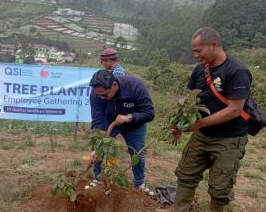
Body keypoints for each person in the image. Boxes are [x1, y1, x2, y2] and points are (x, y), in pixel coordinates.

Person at [157, 27, 252, 212]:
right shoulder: (200, 70)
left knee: (220, 189)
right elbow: (190, 97)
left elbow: (234, 109)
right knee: (186, 176)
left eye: (198, 50)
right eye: (194, 51)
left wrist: (198, 124)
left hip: (229, 139)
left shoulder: (237, 71)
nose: (195, 55)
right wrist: (179, 123)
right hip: (202, 135)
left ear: (214, 45)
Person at [89, 69, 155, 193]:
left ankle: (139, 183)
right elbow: (97, 121)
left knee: (137, 154)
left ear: (114, 85)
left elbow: (149, 113)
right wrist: (95, 147)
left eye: (105, 95)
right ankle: (98, 179)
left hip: (134, 125)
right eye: (99, 95)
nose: (102, 98)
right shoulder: (96, 94)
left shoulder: (135, 86)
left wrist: (129, 117)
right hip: (109, 123)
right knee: (100, 151)